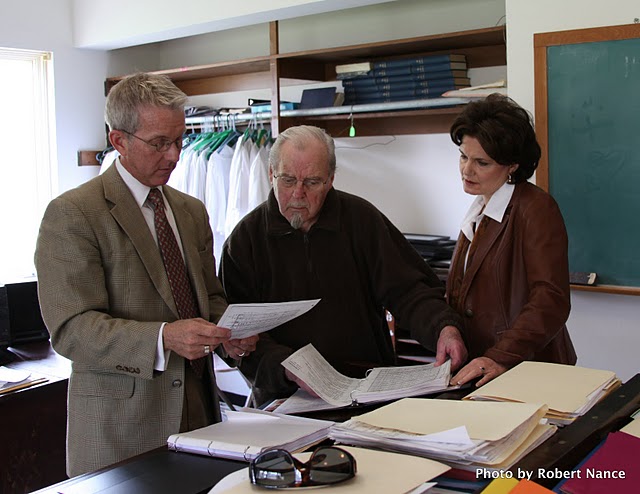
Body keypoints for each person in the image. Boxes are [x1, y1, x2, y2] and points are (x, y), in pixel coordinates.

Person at [34, 72, 256, 477]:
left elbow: (208, 296)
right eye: (159, 144)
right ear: (118, 141)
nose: (174, 156)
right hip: (122, 430)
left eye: (179, 140)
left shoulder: (190, 210)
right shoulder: (74, 214)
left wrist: (230, 335)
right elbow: (71, 329)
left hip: (202, 412)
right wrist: (163, 337)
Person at [219, 125, 467, 406]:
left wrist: (443, 328)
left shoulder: (362, 221)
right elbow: (237, 335)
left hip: (367, 385)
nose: (298, 194)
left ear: (330, 180)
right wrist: (286, 368)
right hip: (286, 397)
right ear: (270, 175)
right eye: (287, 180)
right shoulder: (245, 240)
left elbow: (409, 290)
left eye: (312, 182)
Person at [446, 93, 577, 388]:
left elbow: (550, 298)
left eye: (482, 162)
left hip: (528, 370)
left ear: (512, 166)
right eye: (464, 156)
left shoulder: (536, 208)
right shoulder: (479, 207)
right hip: (482, 370)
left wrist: (501, 356)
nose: (467, 170)